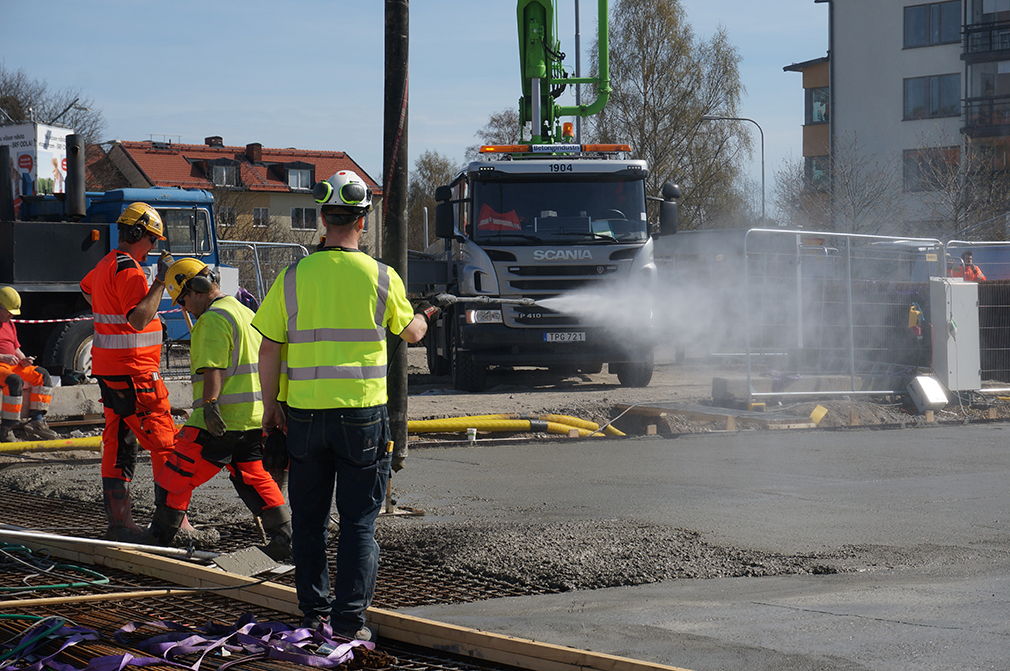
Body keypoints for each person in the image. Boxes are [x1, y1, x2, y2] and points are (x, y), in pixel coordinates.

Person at [252, 170, 437, 641]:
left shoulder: (293, 276)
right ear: (363, 219)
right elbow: (411, 334)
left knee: (309, 524)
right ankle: (349, 624)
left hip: (304, 417)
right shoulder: (381, 276)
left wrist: (271, 406)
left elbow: (269, 347)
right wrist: (424, 315)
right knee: (358, 523)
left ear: (321, 218)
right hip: (361, 418)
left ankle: (313, 617)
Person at [149, 258, 291, 559]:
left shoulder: (214, 319)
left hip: (218, 419)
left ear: (197, 289)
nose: (184, 308)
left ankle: (160, 538)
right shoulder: (243, 311)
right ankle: (284, 538)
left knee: (177, 473)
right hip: (251, 419)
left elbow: (213, 369)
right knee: (254, 475)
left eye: (183, 300)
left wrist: (211, 405)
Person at [80, 202, 177, 541]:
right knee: (165, 443)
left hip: (110, 372)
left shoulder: (107, 264)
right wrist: (161, 282)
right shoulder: (132, 271)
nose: (153, 248)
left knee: (118, 444)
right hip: (136, 374)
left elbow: (87, 287)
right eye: (152, 241)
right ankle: (173, 525)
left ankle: (120, 524)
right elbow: (138, 319)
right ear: (138, 235)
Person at [0, 286, 59, 443]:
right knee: (14, 381)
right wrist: (3, 357)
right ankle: (6, 428)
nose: (11, 314)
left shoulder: (9, 324)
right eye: (8, 311)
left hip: (11, 364)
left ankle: (36, 421)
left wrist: (24, 359)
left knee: (42, 375)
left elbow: (16, 348)